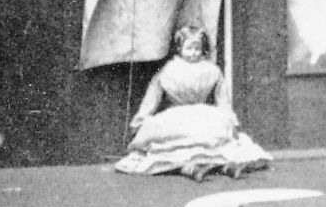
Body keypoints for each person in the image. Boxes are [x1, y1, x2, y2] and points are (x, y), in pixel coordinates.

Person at [114, 23, 270, 179]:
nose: (194, 53)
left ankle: (204, 166)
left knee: (172, 144)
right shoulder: (174, 71)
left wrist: (139, 122)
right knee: (212, 141)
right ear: (179, 49)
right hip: (197, 117)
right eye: (190, 48)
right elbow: (151, 99)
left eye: (198, 49)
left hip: (184, 118)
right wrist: (141, 120)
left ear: (203, 50)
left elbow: (223, 102)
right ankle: (206, 166)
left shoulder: (207, 71)